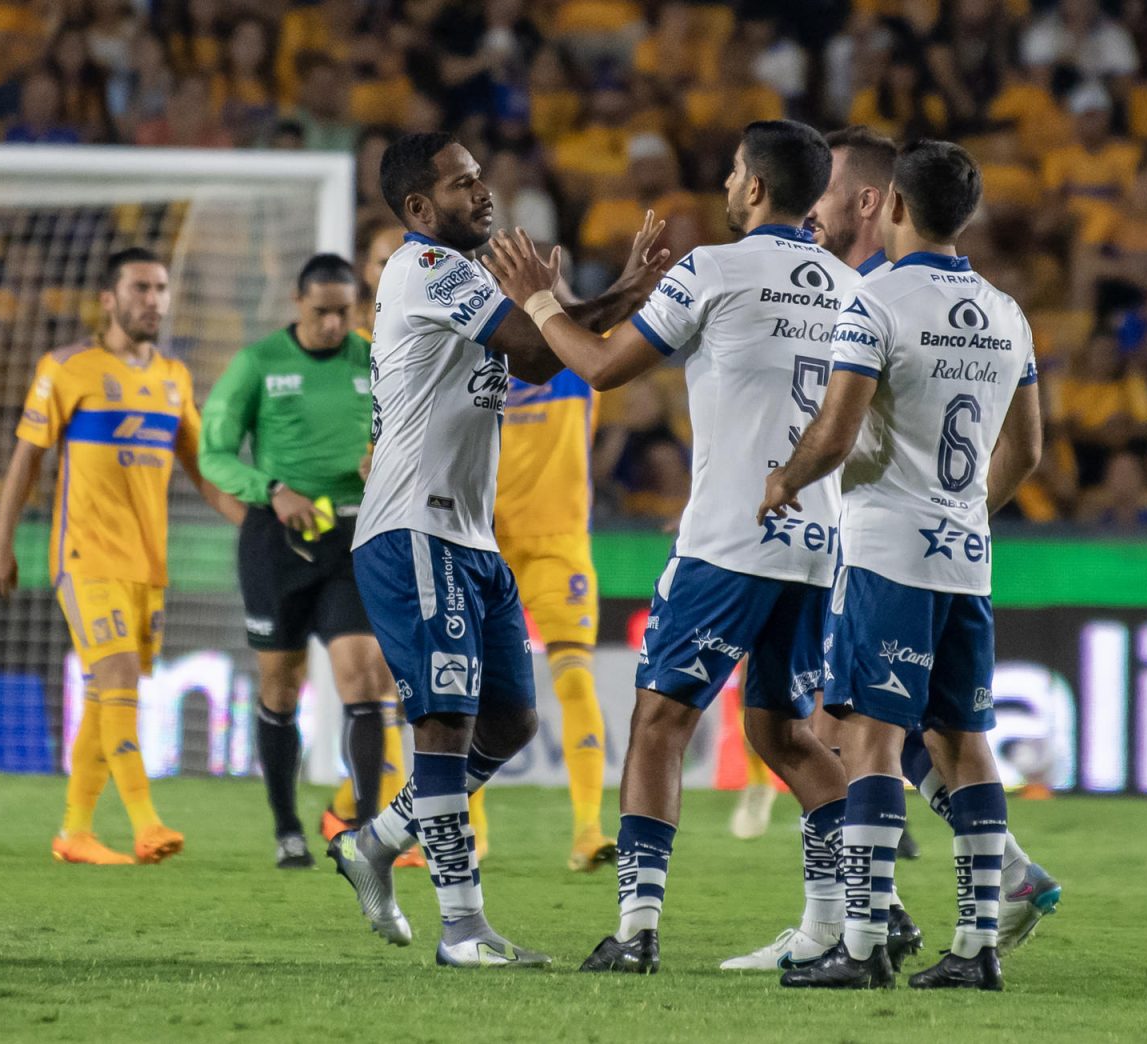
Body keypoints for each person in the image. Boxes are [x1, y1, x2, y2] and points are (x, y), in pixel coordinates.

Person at [484, 120, 869, 977]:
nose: (727, 186)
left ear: (759, 189)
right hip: (816, 544)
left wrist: (542, 300)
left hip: (728, 540)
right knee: (786, 734)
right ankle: (853, 922)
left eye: (734, 172)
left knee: (659, 722)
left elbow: (601, 367)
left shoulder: (715, 268)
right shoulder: (852, 287)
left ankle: (636, 930)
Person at [324, 131, 667, 967]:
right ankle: (463, 928)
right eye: (462, 183)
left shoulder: (467, 276)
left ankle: (376, 841)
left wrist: (621, 291)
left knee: (508, 721)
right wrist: (568, 301)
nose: (484, 193)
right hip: (414, 527)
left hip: (469, 535)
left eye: (481, 179)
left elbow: (548, 347)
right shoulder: (423, 269)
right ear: (417, 208)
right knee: (443, 722)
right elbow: (540, 349)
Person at [759, 140, 1042, 990]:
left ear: (893, 207)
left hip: (886, 553)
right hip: (967, 557)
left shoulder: (874, 301)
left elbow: (837, 433)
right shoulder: (1007, 312)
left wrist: (784, 479)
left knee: (872, 741)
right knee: (965, 743)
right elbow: (1025, 453)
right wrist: (960, 514)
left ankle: (859, 945)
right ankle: (977, 948)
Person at [0, 247, 244, 866]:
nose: (152, 300)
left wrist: (253, 522)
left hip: (147, 565)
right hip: (85, 556)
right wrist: (2, 542)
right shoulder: (66, 368)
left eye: (160, 289)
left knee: (108, 696)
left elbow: (203, 470)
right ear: (109, 299)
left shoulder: (173, 378)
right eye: (139, 288)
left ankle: (74, 832)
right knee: (118, 678)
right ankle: (146, 823)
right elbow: (27, 458)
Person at [198, 253, 409, 870]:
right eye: (321, 312)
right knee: (280, 685)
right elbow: (214, 453)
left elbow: (407, 430)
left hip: (351, 541)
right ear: (297, 303)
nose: (333, 324)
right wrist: (269, 489)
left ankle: (371, 832)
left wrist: (384, 458)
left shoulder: (373, 357)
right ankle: (287, 826)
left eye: (344, 312)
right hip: (279, 543)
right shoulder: (258, 364)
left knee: (365, 676)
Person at [490, 317, 616, 873]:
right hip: (483, 539)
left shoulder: (576, 359)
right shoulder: (478, 355)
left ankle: (588, 830)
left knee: (573, 679)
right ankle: (470, 835)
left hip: (558, 545)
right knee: (467, 689)